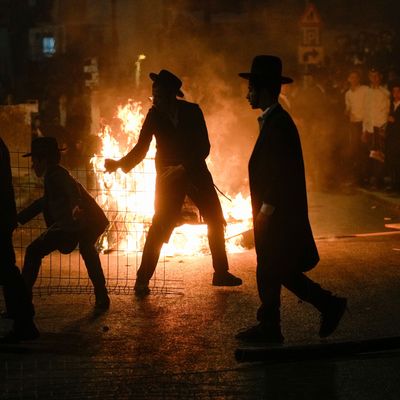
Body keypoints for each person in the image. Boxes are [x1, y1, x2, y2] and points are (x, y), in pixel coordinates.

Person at [235, 55, 347, 344]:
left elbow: (281, 172)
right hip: (275, 213)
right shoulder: (273, 120)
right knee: (274, 267)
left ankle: (319, 308)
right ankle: (282, 320)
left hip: (278, 215)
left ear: (264, 90)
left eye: (251, 88)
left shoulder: (279, 123)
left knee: (275, 267)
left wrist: (265, 211)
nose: (247, 94)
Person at [104, 69, 242, 295]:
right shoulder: (154, 116)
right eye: (153, 96)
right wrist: (119, 164)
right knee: (159, 227)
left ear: (171, 95)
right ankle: (142, 279)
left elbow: (204, 147)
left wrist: (184, 168)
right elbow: (141, 148)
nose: (154, 100)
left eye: (158, 96)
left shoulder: (193, 112)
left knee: (216, 219)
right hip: (168, 179)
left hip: (195, 173)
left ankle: (221, 273)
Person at [18, 137, 110, 310]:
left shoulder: (56, 175)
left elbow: (71, 190)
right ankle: (102, 295)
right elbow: (44, 202)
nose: (33, 165)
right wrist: (19, 218)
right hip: (83, 221)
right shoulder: (54, 174)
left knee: (34, 251)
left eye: (34, 160)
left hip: (84, 221)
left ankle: (21, 304)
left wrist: (76, 208)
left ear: (43, 160)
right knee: (86, 249)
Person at [0, 136, 39, 343]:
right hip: (3, 216)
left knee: (6, 270)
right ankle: (24, 320)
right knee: (7, 271)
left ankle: (24, 322)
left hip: (1, 217)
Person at [362, 67, 390, 189]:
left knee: (380, 155)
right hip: (370, 128)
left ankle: (377, 181)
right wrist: (364, 129)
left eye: (377, 76)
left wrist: (383, 128)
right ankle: (372, 179)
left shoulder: (385, 93)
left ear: (380, 77)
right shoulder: (367, 92)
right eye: (372, 76)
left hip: (380, 127)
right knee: (371, 155)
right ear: (369, 77)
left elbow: (387, 111)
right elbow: (365, 111)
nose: (374, 78)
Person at [344, 69, 369, 185]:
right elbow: (348, 108)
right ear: (349, 79)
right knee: (354, 151)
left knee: (364, 151)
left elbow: (368, 107)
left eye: (355, 77)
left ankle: (365, 177)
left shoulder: (365, 90)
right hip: (353, 124)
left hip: (364, 123)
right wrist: (347, 112)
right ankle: (356, 177)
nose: (353, 80)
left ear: (359, 79)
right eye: (351, 77)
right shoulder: (348, 93)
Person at [385, 80, 400, 192]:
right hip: (391, 137)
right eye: (394, 92)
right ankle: (393, 182)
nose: (396, 94)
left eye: (398, 91)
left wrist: (395, 121)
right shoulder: (390, 105)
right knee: (391, 159)